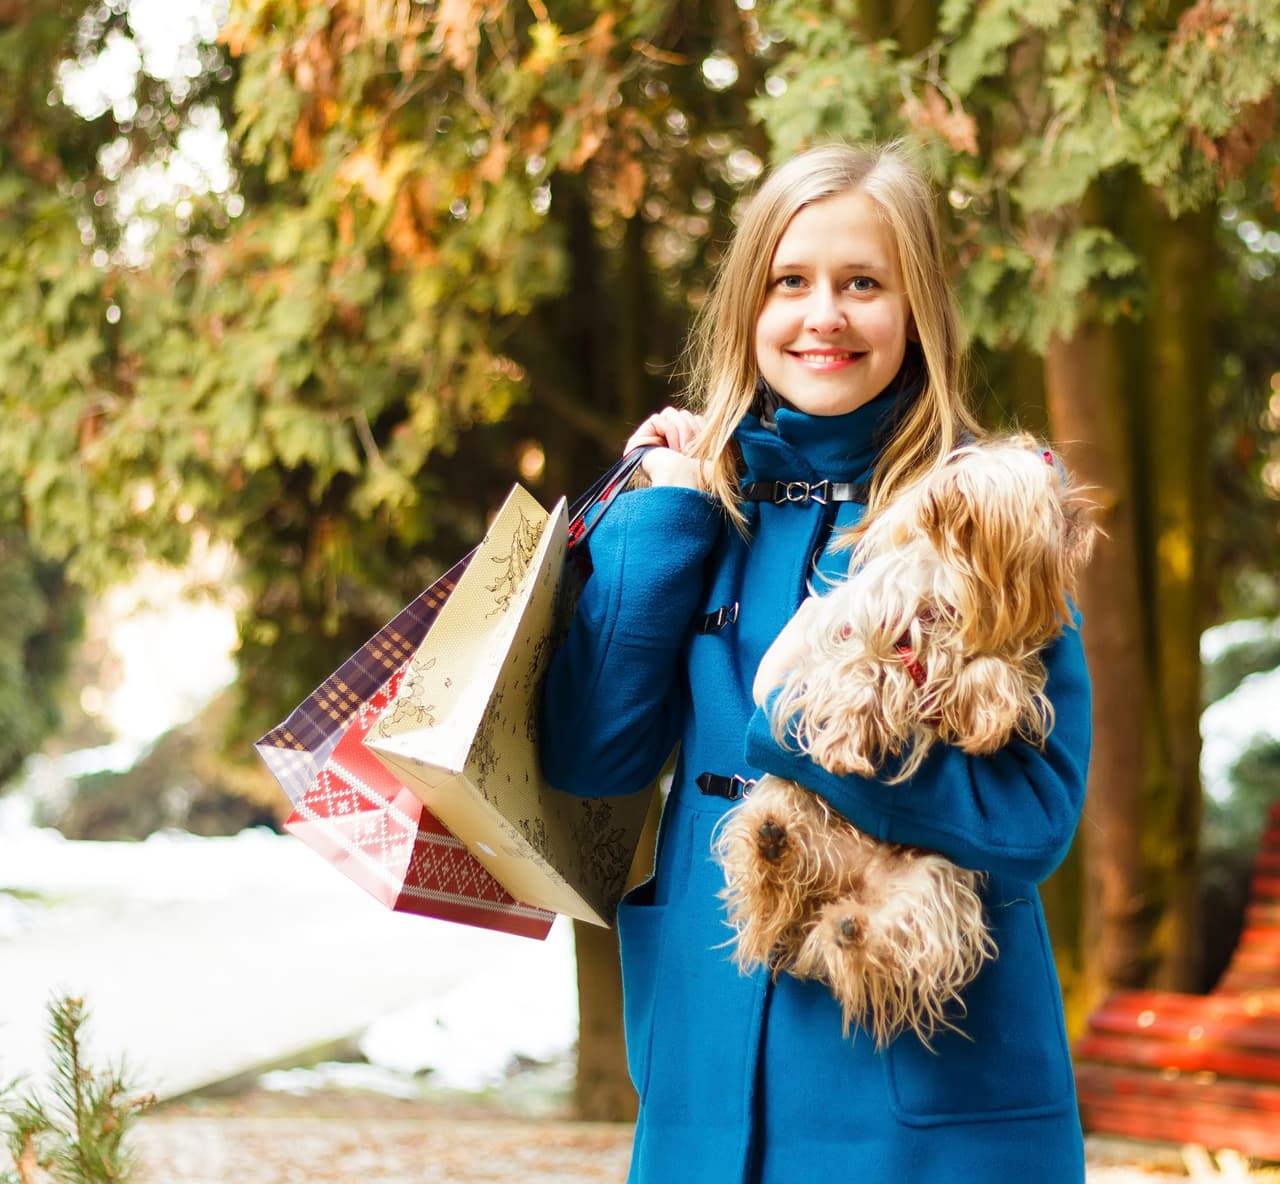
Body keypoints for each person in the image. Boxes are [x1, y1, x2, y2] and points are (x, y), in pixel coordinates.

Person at [539, 141, 1091, 1184]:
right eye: (789, 282)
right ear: (749, 306)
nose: (821, 315)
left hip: (923, 1105)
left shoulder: (987, 516)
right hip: (706, 1075)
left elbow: (1033, 818)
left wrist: (807, 722)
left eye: (862, 284)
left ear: (915, 310)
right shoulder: (698, 502)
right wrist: (658, 512)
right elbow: (590, 756)